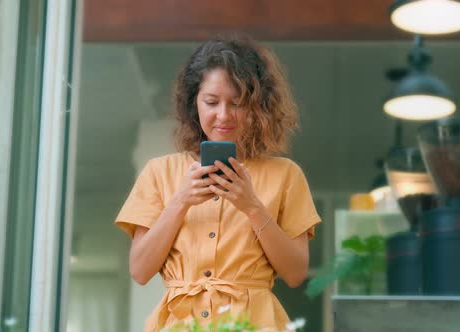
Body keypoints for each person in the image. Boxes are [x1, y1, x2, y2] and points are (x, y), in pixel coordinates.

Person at [115, 36, 321, 332]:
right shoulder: (158, 173)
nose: (223, 115)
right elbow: (140, 270)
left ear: (257, 107)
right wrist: (180, 201)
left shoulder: (286, 175)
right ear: (193, 103)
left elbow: (295, 273)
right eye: (211, 102)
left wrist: (252, 207)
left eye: (237, 103)